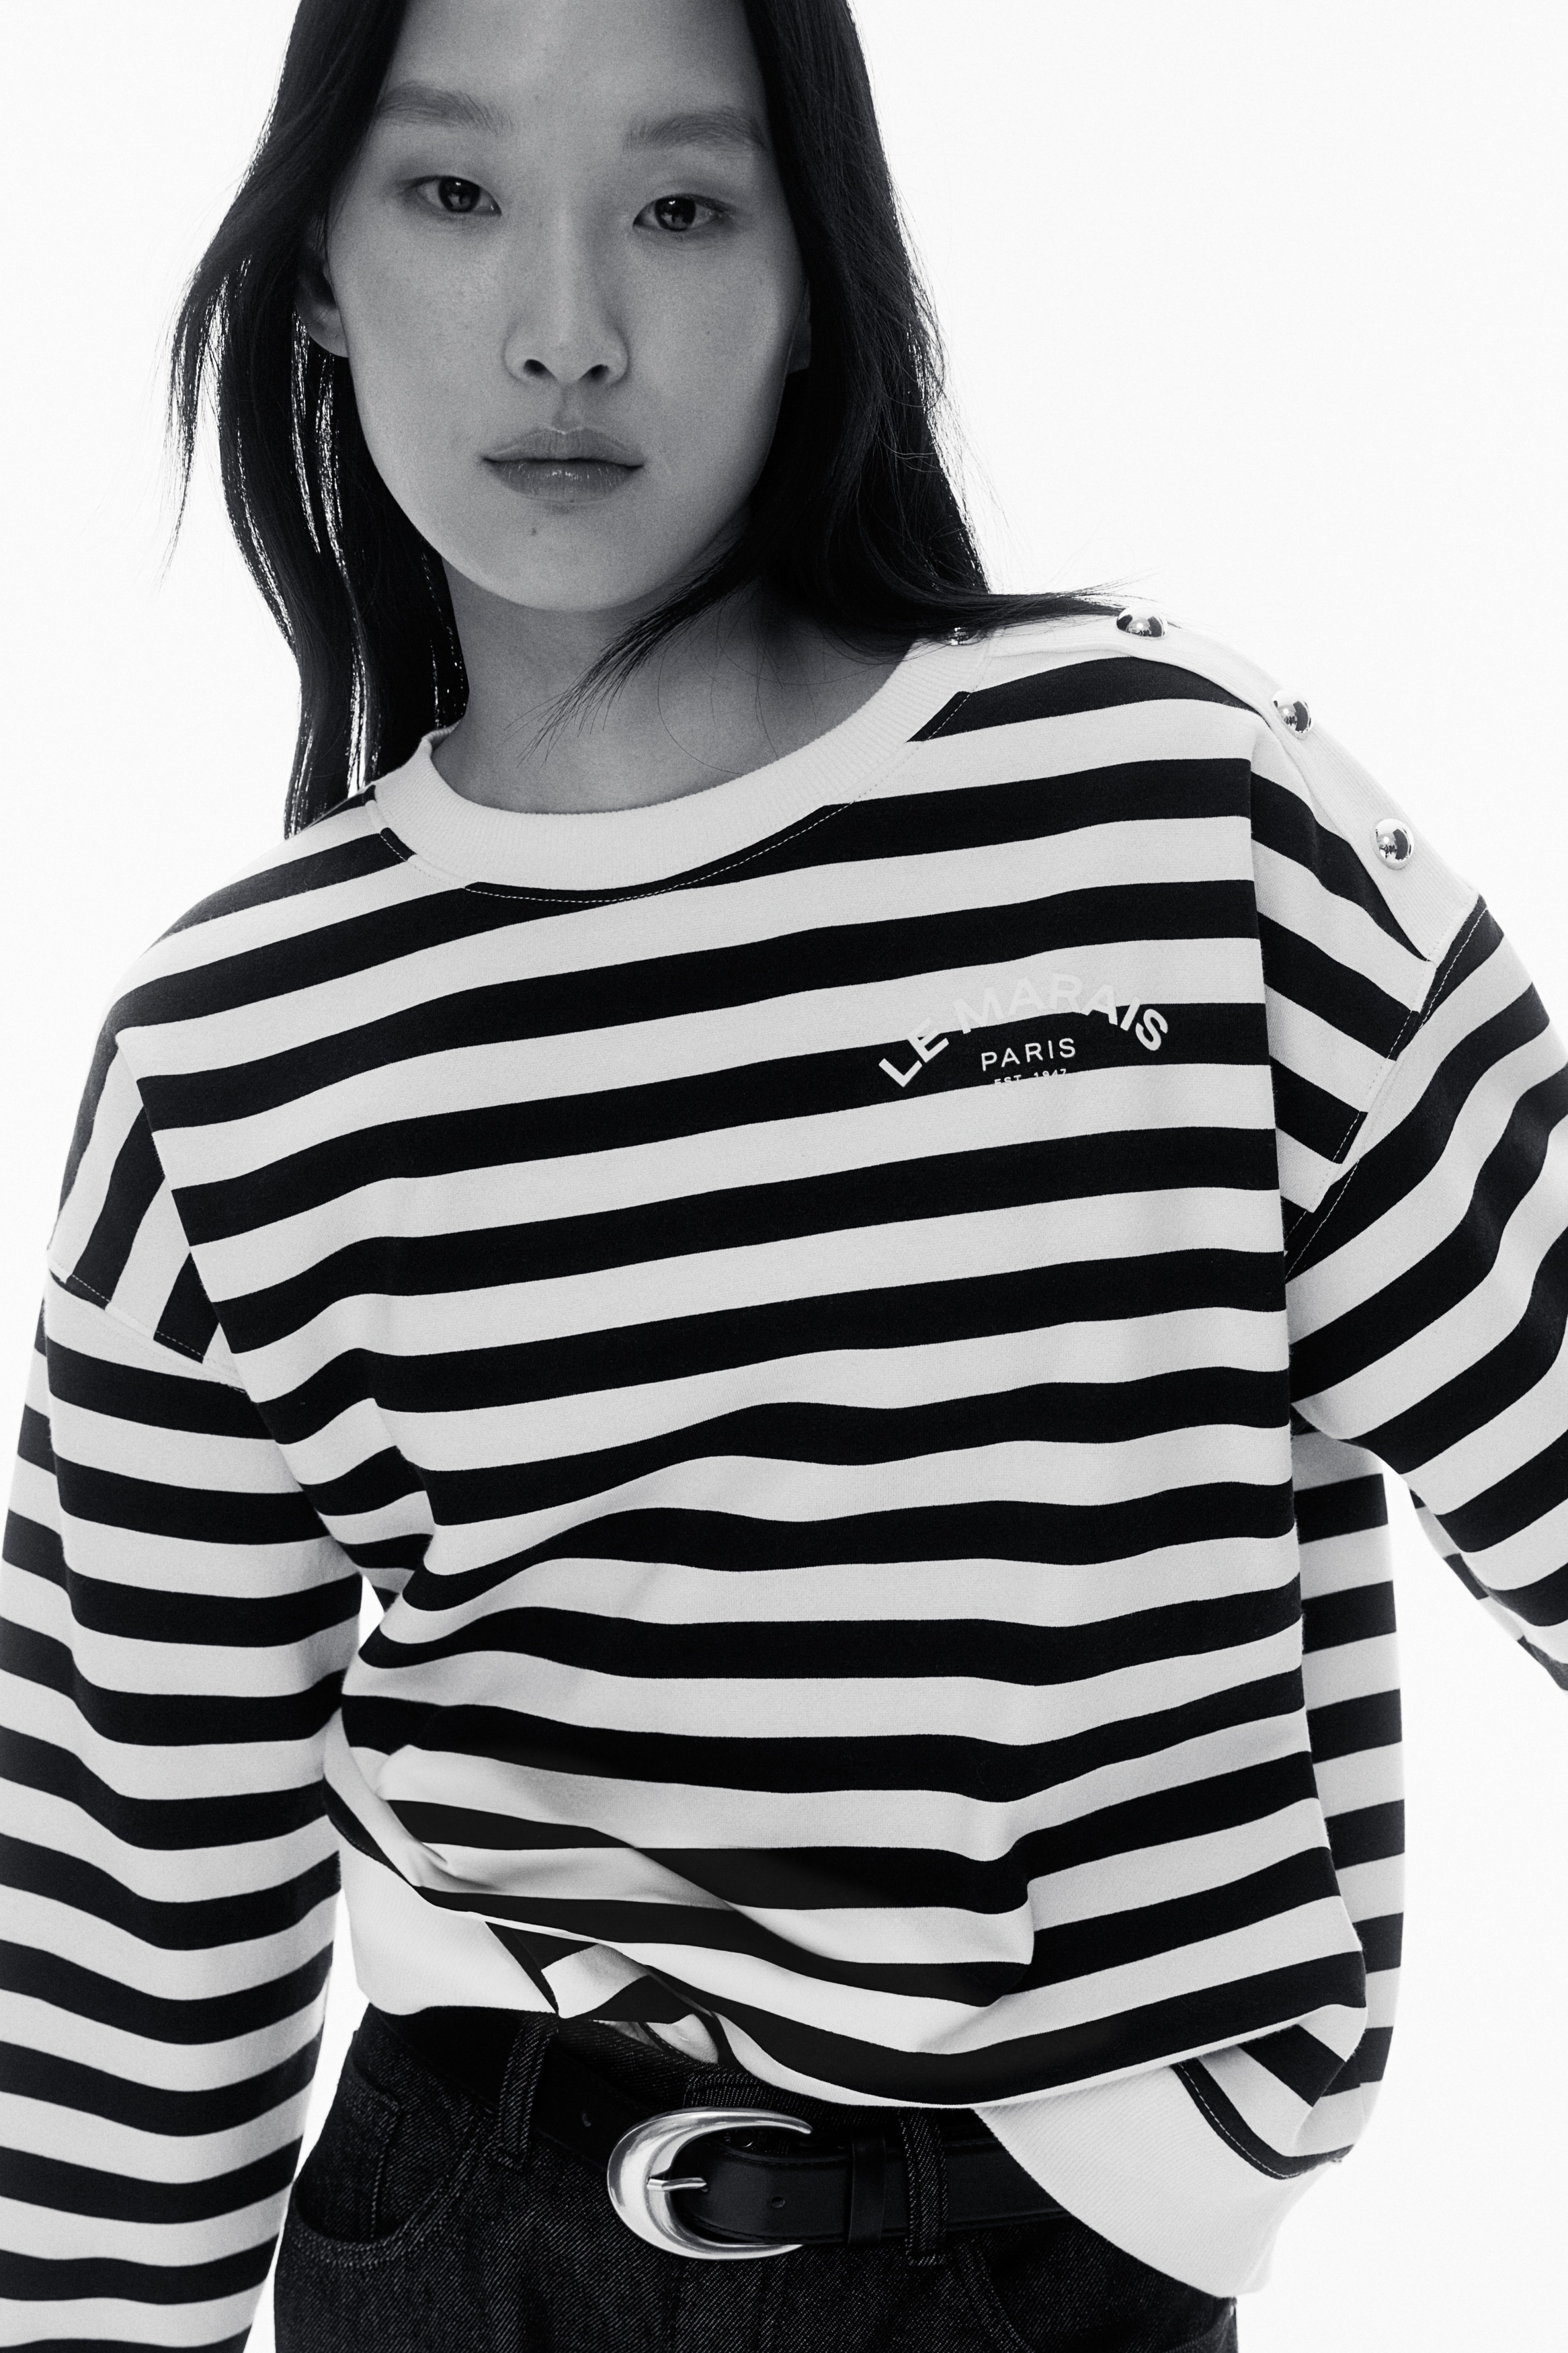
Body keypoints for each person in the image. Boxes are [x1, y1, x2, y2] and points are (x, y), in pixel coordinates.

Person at [1, 0, 1563, 2348]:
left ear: (818, 268)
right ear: (312, 266)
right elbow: (136, 1923)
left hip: (1061, 2269)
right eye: (452, 193)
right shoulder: (236, 1051)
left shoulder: (1172, 824)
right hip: (475, 2259)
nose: (566, 328)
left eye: (681, 206)